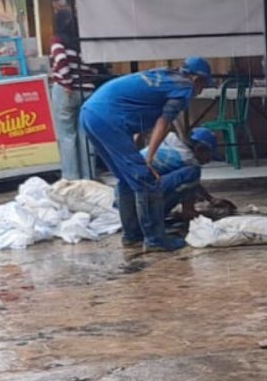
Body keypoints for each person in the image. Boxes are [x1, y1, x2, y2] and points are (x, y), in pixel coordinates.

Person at [80, 57, 214, 253]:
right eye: (202, 86)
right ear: (196, 79)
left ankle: (132, 236)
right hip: (108, 116)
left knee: (126, 179)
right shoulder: (183, 86)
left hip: (91, 112)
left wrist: (137, 155)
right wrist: (148, 160)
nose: (199, 92)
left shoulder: (165, 78)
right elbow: (164, 122)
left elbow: (140, 124)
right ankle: (155, 239)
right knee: (145, 179)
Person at [49, 6, 99, 180]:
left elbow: (61, 61)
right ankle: (89, 177)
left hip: (66, 91)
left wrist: (68, 84)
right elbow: (93, 68)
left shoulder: (58, 40)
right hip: (87, 91)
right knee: (85, 135)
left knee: (67, 137)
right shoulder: (82, 42)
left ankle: (71, 179)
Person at [137, 127, 219, 222]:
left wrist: (210, 199)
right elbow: (192, 180)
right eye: (208, 157)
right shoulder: (188, 159)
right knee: (193, 172)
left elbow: (193, 183)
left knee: (188, 179)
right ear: (201, 149)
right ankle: (187, 212)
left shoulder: (170, 138)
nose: (207, 161)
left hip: (133, 193)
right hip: (144, 195)